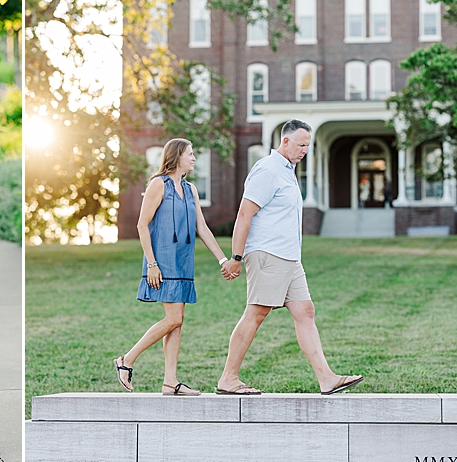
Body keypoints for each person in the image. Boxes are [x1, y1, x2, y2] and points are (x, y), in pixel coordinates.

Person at [216, 119, 363, 396]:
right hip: (268, 253)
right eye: (301, 145)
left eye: (308, 145)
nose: (305, 150)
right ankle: (228, 378)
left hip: (289, 257)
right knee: (257, 313)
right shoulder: (268, 170)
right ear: (285, 141)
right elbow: (244, 214)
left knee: (305, 312)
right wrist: (236, 256)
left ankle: (327, 378)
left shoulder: (287, 171)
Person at [114, 138, 232, 396]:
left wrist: (223, 259)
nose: (193, 158)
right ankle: (127, 359)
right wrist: (152, 264)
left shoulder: (191, 190)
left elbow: (202, 227)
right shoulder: (158, 184)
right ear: (177, 156)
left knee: (177, 322)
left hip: (183, 262)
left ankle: (170, 382)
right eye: (190, 154)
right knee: (174, 318)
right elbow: (142, 225)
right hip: (162, 261)